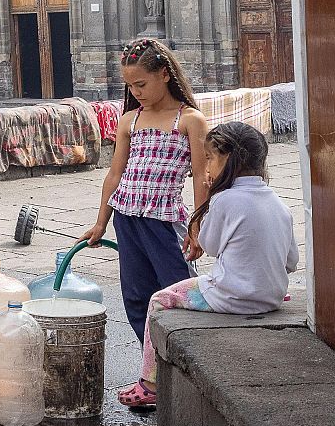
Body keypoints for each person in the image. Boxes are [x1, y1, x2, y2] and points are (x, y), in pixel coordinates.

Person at [120, 122, 296, 409]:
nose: (205, 168)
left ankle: (150, 383)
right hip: (271, 298)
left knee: (158, 299)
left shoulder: (225, 200)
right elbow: (291, 262)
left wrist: (210, 205)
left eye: (211, 159)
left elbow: (210, 246)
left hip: (229, 297)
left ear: (229, 159)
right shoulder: (280, 204)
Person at [80, 37, 210, 345]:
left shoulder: (190, 120)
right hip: (126, 220)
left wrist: (197, 227)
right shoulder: (130, 120)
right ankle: (151, 370)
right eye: (131, 87)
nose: (136, 93)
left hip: (165, 223)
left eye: (141, 84)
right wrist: (101, 223)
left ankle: (187, 359)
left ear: (164, 74)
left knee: (178, 291)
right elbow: (115, 175)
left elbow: (201, 179)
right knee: (137, 299)